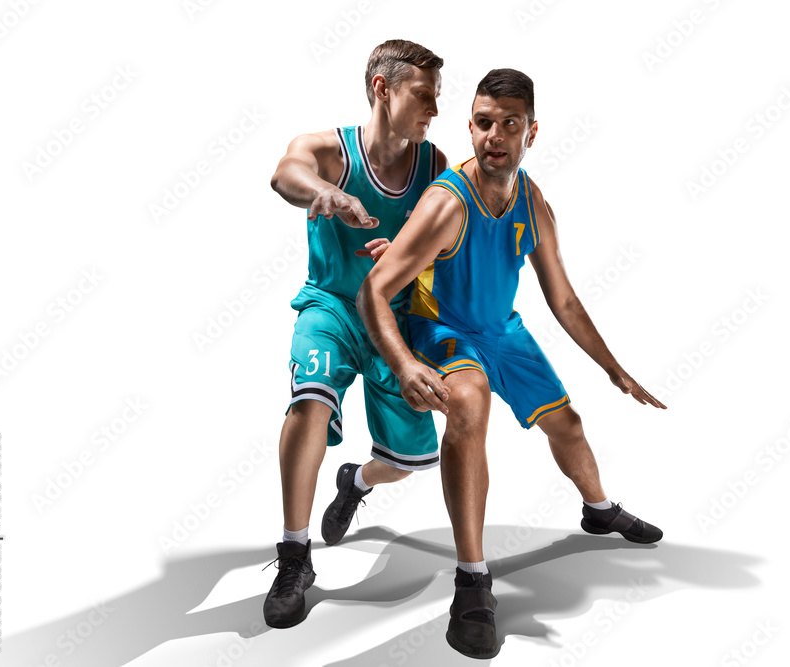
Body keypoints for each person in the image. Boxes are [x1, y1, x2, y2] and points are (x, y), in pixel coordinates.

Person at [357, 68, 667, 658]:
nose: (493, 135)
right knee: (470, 403)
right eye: (482, 122)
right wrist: (402, 365)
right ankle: (472, 580)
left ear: (531, 132)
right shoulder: (446, 203)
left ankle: (599, 511)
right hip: (443, 330)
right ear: (469, 126)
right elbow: (374, 289)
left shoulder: (534, 201)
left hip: (503, 331)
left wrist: (613, 367)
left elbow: (563, 299)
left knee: (567, 424)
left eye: (509, 124)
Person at [263, 39, 449, 629]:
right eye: (424, 95)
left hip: (395, 322)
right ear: (381, 88)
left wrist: (409, 255)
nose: (434, 109)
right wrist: (325, 192)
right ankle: (295, 555)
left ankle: (356, 481)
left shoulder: (435, 166)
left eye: (437, 97)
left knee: (410, 461)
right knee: (310, 403)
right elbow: (286, 172)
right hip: (333, 307)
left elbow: (444, 249)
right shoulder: (329, 150)